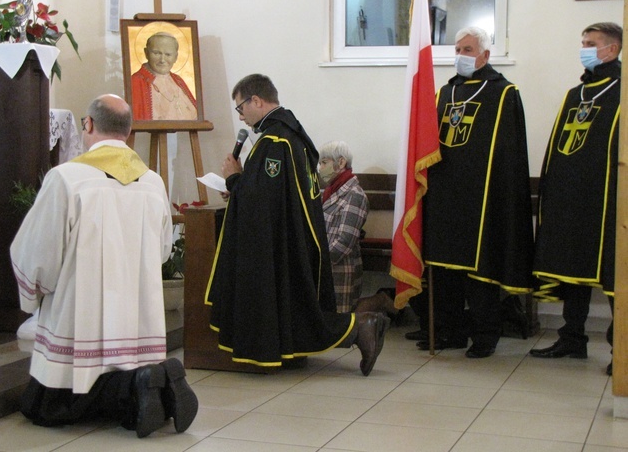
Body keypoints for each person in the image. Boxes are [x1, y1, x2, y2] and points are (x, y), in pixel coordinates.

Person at [10, 94, 198, 437]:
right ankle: (155, 385)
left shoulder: (67, 178)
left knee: (44, 407)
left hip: (81, 313)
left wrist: (36, 292)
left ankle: (133, 388)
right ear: (127, 133)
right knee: (127, 385)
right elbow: (161, 252)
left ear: (89, 125)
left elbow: (38, 251)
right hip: (137, 313)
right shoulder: (153, 182)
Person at [206, 74, 389, 376]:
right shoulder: (292, 134)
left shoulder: (274, 141)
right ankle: (359, 329)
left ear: (256, 100)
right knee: (296, 309)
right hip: (295, 236)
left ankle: (362, 326)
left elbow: (261, 202)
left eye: (240, 108)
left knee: (299, 311)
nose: (240, 115)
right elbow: (271, 192)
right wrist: (240, 184)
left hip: (282, 241)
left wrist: (234, 178)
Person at [421, 27, 534, 358]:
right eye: (457, 49)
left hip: (483, 200)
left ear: (485, 55)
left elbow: (509, 155)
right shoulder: (445, 93)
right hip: (444, 197)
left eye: (468, 49)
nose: (460, 55)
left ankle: (485, 333)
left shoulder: (504, 94)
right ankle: (449, 329)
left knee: (479, 270)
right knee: (443, 269)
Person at [530, 22, 622, 376]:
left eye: (591, 43)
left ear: (611, 50)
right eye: (583, 42)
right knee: (572, 269)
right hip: (571, 198)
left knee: (614, 276)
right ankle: (572, 338)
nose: (584, 48)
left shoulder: (622, 91)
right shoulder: (576, 94)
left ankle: (622, 351)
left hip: (607, 201)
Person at [318, 141, 369, 313]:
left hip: (339, 270)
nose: (320, 168)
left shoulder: (354, 195)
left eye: (324, 162)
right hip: (325, 268)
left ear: (340, 162)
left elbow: (344, 241)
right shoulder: (329, 192)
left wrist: (318, 261)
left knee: (338, 322)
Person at [131, 32, 198, 121]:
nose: (162, 60)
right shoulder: (136, 81)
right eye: (157, 53)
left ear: (176, 57)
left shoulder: (178, 81)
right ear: (146, 53)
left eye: (168, 55)